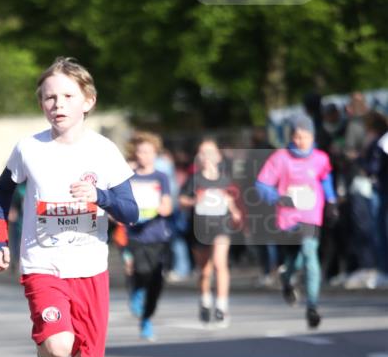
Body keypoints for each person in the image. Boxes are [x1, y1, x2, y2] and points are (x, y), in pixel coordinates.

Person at [0, 56, 138, 357]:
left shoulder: (103, 152)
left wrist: (100, 198)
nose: (58, 104)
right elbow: (3, 191)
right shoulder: (29, 148)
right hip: (43, 264)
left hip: (90, 268)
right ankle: (45, 354)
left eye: (68, 96)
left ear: (87, 101)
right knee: (58, 346)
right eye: (50, 97)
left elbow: (131, 212)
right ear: (41, 104)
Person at [256, 113, 337, 329]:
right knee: (296, 260)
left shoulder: (320, 158)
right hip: (288, 217)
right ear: (291, 136)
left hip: (311, 214)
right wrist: (278, 198)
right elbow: (261, 185)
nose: (301, 141)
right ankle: (287, 277)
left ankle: (312, 306)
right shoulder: (280, 158)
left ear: (313, 136)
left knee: (310, 253)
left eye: (305, 136)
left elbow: (326, 178)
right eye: (297, 136)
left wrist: (332, 201)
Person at [179, 139, 241, 327]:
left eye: (211, 152)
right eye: (203, 153)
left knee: (220, 265)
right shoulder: (194, 179)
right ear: (199, 157)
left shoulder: (225, 179)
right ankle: (205, 299)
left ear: (218, 157)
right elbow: (181, 200)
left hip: (221, 226)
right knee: (204, 270)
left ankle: (222, 307)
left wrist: (235, 211)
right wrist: (193, 201)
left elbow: (229, 198)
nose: (207, 157)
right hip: (200, 227)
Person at [123, 132, 172, 341]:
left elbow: (168, 205)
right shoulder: (128, 176)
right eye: (141, 151)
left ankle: (146, 319)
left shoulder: (161, 177)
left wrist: (161, 209)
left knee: (156, 280)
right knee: (141, 270)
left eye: (149, 152)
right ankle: (136, 291)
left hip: (157, 234)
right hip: (135, 233)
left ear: (155, 154)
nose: (145, 155)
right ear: (136, 153)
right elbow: (121, 204)